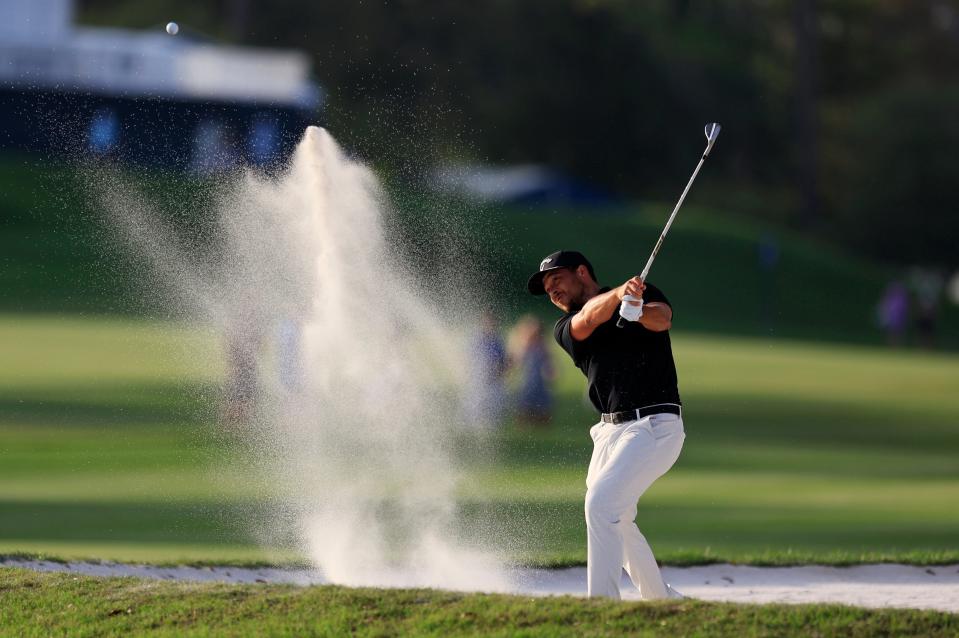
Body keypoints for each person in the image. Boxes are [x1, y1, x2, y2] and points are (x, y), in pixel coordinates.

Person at [527, 250, 685, 600]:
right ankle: (662, 601)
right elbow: (588, 318)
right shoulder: (565, 329)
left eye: (557, 281)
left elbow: (664, 319)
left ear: (582, 272)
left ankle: (601, 606)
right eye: (547, 289)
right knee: (618, 520)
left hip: (656, 425)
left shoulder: (642, 294)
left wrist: (638, 309)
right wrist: (618, 297)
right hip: (609, 434)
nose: (552, 292)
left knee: (600, 506)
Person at [509, 315, 555, 425]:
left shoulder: (542, 347)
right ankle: (526, 419)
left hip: (539, 381)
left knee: (541, 404)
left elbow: (548, 361)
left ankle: (539, 419)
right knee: (525, 402)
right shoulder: (524, 347)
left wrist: (551, 370)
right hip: (527, 381)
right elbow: (516, 360)